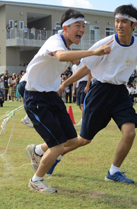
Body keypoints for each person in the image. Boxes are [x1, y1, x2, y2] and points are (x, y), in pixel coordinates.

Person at [53, 5, 137, 184]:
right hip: (100, 91)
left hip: (120, 93)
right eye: (117, 21)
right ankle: (53, 157)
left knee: (129, 133)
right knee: (83, 139)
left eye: (124, 21)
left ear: (134, 25)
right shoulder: (105, 44)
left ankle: (113, 172)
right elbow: (86, 67)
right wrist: (64, 84)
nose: (119, 25)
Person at [24, 8, 112, 193]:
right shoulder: (56, 41)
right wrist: (93, 52)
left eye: (83, 26)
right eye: (77, 26)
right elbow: (61, 56)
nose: (81, 29)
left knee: (72, 140)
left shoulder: (66, 45)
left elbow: (68, 58)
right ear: (65, 27)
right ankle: (36, 180)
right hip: (36, 98)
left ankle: (38, 150)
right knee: (57, 146)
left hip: (52, 96)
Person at [72, 60, 91, 126]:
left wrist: (87, 86)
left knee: (83, 104)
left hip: (85, 83)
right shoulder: (74, 67)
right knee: (79, 105)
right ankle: (86, 118)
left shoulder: (83, 63)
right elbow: (74, 78)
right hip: (79, 84)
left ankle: (83, 121)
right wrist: (73, 89)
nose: (72, 61)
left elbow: (89, 74)